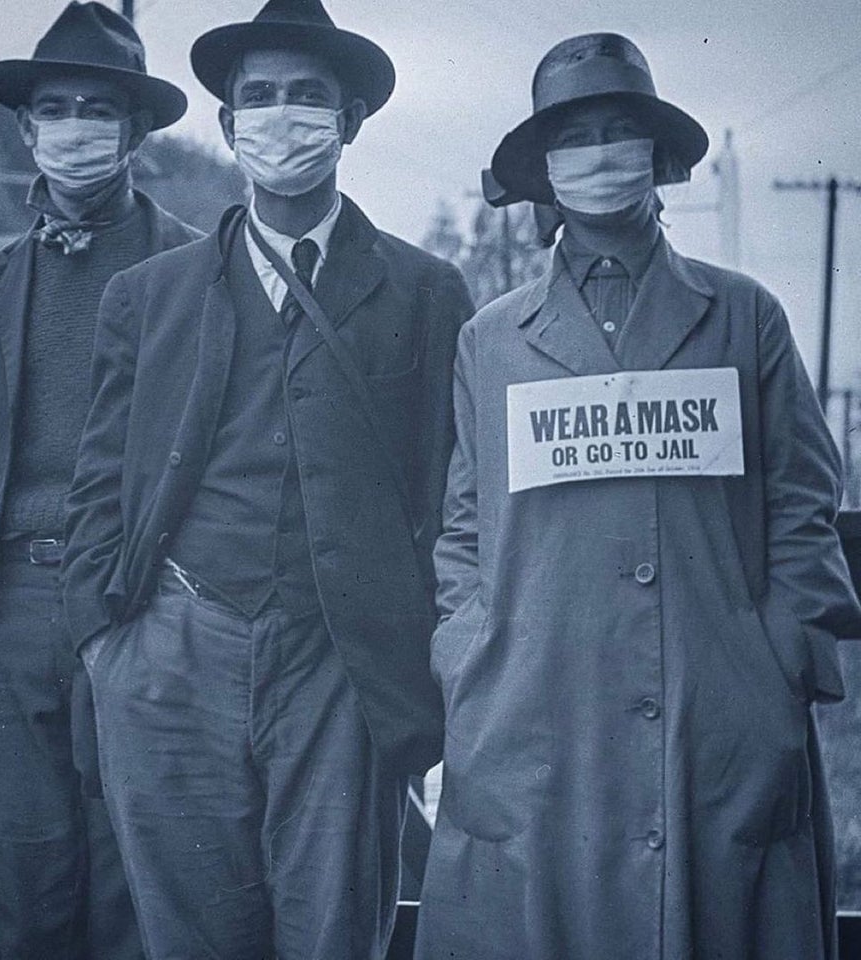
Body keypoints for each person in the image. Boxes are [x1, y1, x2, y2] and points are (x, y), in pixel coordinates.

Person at [415, 33, 861, 960]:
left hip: (716, 710)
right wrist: (469, 659)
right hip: (540, 711)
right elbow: (465, 527)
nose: (602, 153)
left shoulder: (743, 316)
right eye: (576, 135)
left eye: (622, 130)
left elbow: (805, 506)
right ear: (543, 169)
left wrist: (775, 664)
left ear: (659, 157)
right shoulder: (491, 341)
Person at [61, 1, 473, 956]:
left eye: (307, 98)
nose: (281, 118)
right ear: (226, 124)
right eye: (259, 99)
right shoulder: (149, 295)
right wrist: (106, 645)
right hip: (173, 646)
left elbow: (450, 491)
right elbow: (99, 481)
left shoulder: (426, 291)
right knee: (190, 929)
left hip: (341, 659)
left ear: (351, 119)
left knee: (332, 928)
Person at [0, 4, 200, 956]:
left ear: (136, 130)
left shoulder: (200, 268)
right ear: (28, 129)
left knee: (138, 866)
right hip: (17, 609)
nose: (74, 126)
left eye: (98, 109)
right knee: (23, 872)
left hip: (147, 602)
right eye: (55, 108)